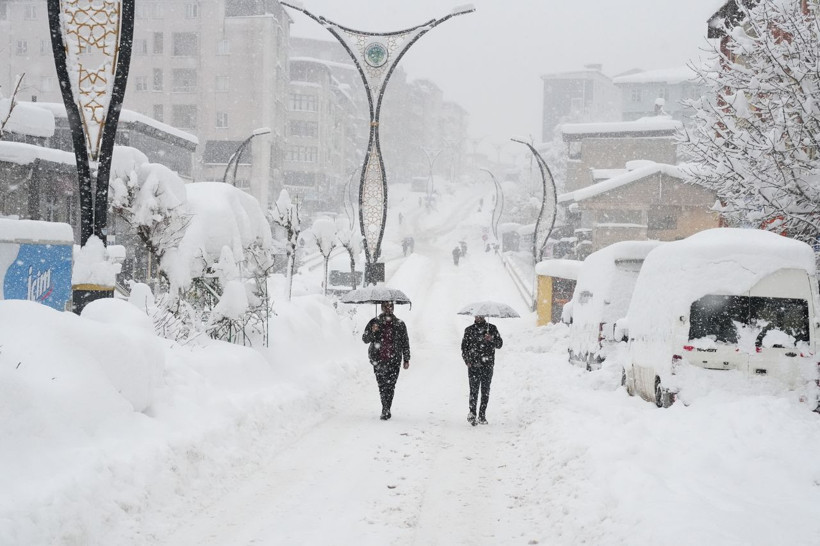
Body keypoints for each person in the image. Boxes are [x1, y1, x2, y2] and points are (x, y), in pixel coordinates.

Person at [362, 301, 411, 420]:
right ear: (382, 307)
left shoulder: (399, 324)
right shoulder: (374, 322)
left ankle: (387, 407)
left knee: (391, 385)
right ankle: (385, 408)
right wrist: (373, 331)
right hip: (378, 359)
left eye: (390, 306)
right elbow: (365, 339)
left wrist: (406, 358)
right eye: (386, 306)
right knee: (382, 385)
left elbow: (405, 341)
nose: (389, 308)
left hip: (394, 360)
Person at [461, 315, 503, 426]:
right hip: (473, 365)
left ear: (484, 316)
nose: (479, 317)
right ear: (474, 316)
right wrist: (467, 360)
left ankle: (482, 415)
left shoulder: (492, 328)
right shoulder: (469, 330)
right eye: (477, 315)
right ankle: (472, 413)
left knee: (485, 391)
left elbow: (500, 344)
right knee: (473, 391)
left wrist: (491, 339)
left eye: (481, 316)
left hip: (487, 365)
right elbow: (464, 347)